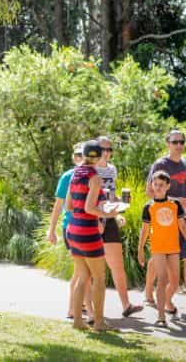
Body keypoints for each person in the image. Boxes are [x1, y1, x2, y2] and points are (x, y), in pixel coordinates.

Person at [144, 129, 186, 314]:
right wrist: (173, 200)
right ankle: (149, 292)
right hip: (165, 221)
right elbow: (149, 192)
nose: (179, 145)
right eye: (175, 142)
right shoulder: (160, 164)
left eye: (181, 142)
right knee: (160, 258)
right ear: (168, 144)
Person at [65, 140, 119, 331]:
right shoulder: (95, 177)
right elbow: (90, 208)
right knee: (99, 277)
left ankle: (78, 321)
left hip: (73, 229)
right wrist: (109, 214)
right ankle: (99, 323)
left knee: (82, 276)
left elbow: (69, 206)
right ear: (100, 155)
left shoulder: (75, 174)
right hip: (88, 231)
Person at [138, 170, 186, 328]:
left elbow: (183, 227)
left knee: (175, 282)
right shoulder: (148, 207)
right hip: (158, 248)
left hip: (173, 248)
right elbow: (144, 231)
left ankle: (166, 300)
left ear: (168, 186)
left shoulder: (175, 204)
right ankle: (161, 316)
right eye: (155, 184)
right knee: (162, 279)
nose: (157, 187)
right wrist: (140, 250)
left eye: (161, 185)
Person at [95, 136, 142, 318]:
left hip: (110, 218)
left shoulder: (112, 170)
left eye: (109, 149)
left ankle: (126, 305)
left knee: (118, 265)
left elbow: (111, 197)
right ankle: (86, 308)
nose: (106, 153)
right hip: (94, 219)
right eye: (102, 149)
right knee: (93, 267)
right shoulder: (89, 170)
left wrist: (120, 211)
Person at [48, 142, 94, 322]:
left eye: (82, 155)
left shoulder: (91, 175)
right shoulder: (68, 176)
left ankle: (73, 310)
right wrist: (51, 230)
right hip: (73, 226)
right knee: (84, 271)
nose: (79, 158)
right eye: (76, 155)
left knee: (80, 271)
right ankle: (88, 312)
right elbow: (59, 205)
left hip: (86, 226)